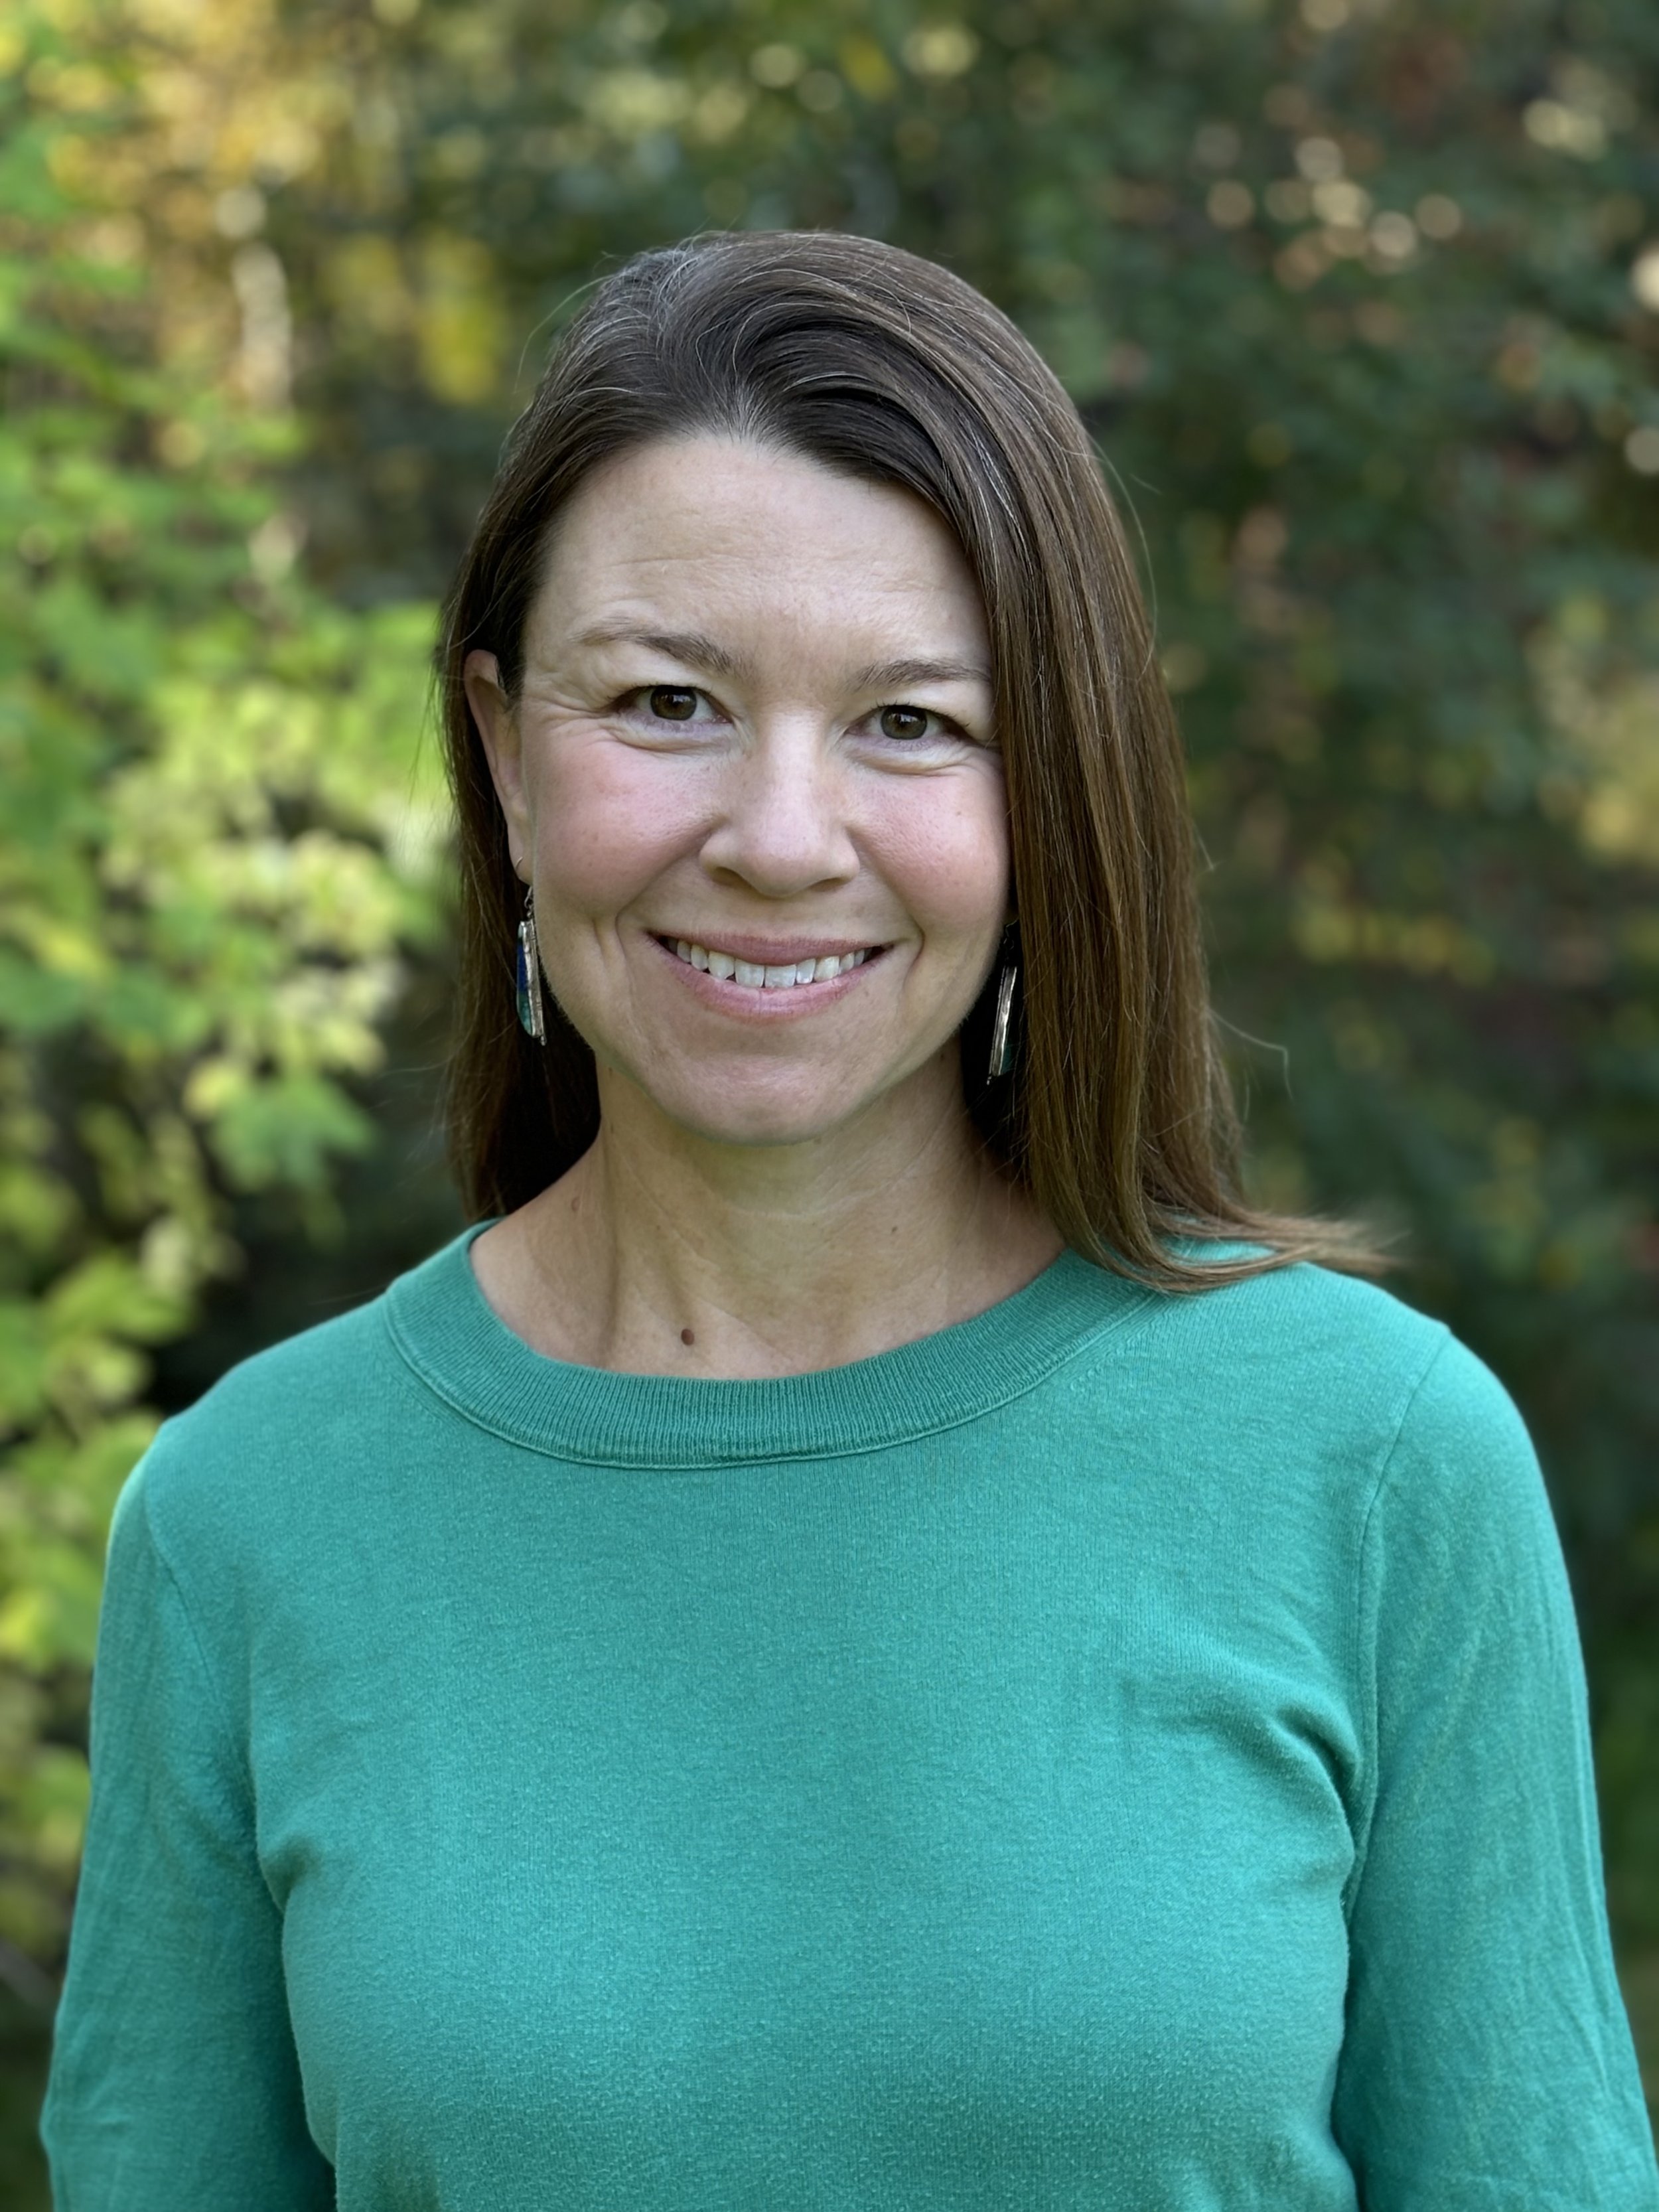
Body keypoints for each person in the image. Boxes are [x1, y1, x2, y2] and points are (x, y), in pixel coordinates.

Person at [42, 231, 1658, 2209]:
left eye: (910, 722)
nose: (782, 836)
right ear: (500, 754)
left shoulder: (1376, 1460)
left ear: (1046, 791)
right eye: (662, 702)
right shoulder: (247, 1520)